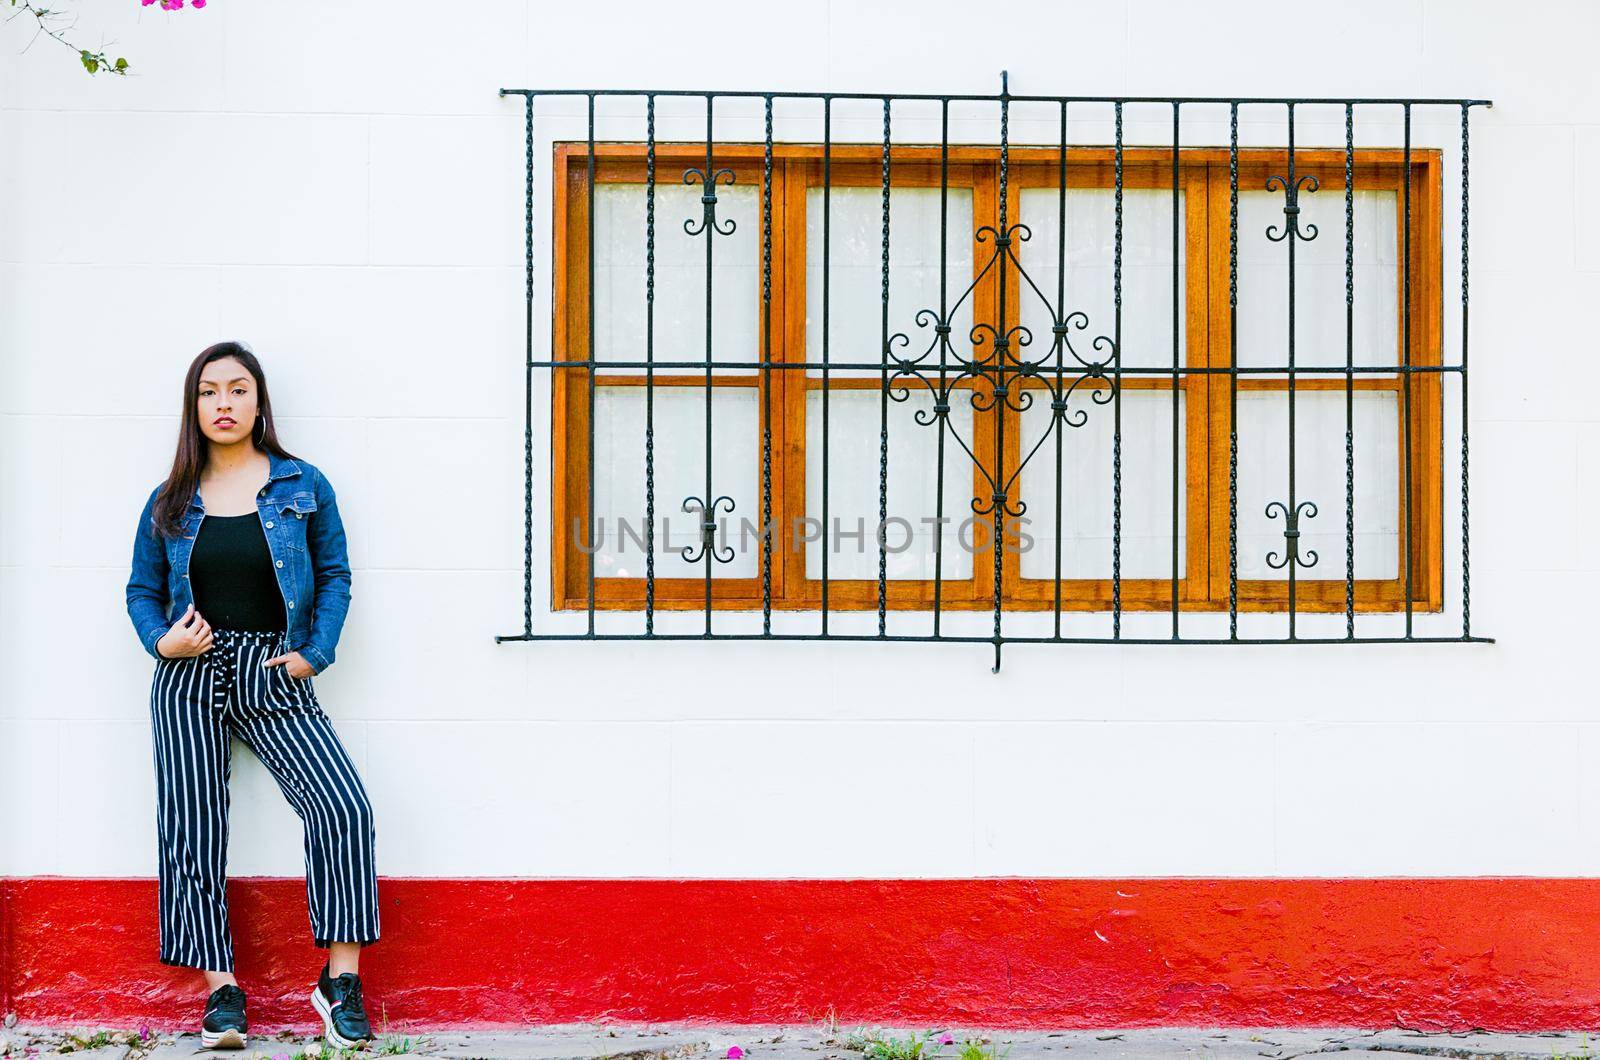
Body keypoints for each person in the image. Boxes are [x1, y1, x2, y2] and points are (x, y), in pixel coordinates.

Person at [125, 340, 380, 1050]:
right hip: (189, 674)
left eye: (238, 390)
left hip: (275, 668)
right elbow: (142, 591)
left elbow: (335, 576)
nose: (224, 404)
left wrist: (314, 655)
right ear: (194, 406)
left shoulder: (303, 484)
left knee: (342, 806)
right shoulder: (169, 500)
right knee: (193, 829)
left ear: (259, 401)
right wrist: (161, 640)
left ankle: (340, 984)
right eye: (210, 392)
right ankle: (222, 993)